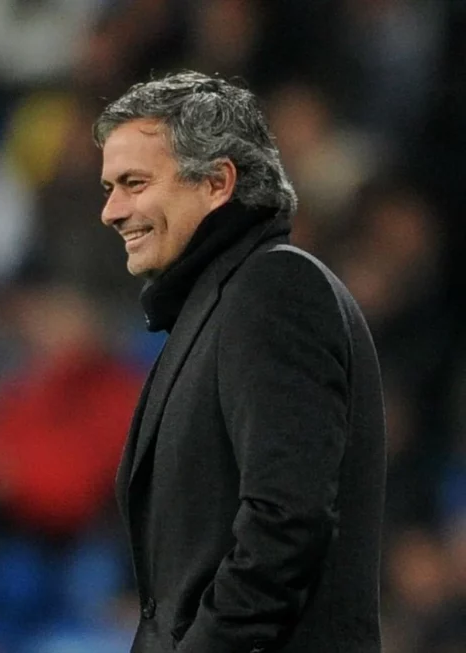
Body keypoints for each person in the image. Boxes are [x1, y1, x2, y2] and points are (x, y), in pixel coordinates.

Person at [95, 72, 385, 653]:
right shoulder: (213, 307)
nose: (111, 211)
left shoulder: (275, 288)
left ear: (217, 182)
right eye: (109, 187)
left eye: (134, 183)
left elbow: (286, 523)